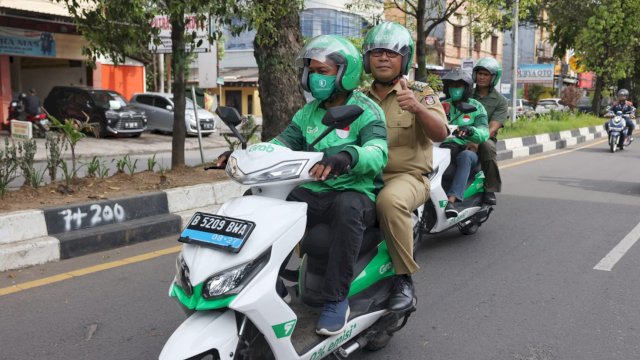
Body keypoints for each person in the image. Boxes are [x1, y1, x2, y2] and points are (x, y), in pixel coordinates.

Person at [217, 35, 388, 336]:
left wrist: (347, 155)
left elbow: (378, 153)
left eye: (324, 71)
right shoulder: (307, 112)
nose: (316, 77)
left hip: (353, 195)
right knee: (254, 200)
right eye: (313, 70)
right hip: (312, 192)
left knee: (348, 207)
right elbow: (280, 145)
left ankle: (336, 300)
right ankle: (269, 285)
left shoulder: (366, 110)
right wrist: (244, 156)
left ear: (344, 73)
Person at [361, 22, 448, 312]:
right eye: (377, 52)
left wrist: (419, 108)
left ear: (404, 59)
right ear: (366, 58)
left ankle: (403, 278)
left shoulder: (421, 91)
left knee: (390, 201)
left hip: (407, 177)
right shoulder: (357, 96)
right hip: (363, 177)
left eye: (391, 53)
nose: (383, 58)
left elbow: (440, 134)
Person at [440, 69, 489, 218]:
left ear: (467, 88)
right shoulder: (440, 105)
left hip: (465, 150)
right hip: (441, 147)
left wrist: (470, 131)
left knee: (466, 156)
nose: (455, 89)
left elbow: (484, 132)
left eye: (459, 86)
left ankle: (452, 201)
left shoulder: (476, 107)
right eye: (452, 85)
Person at [470, 57, 508, 205]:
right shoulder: (467, 94)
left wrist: (477, 140)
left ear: (493, 77)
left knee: (488, 146)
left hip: (484, 137)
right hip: (460, 134)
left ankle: (490, 188)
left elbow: (492, 128)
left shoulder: (500, 101)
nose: (481, 77)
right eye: (480, 73)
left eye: (486, 74)